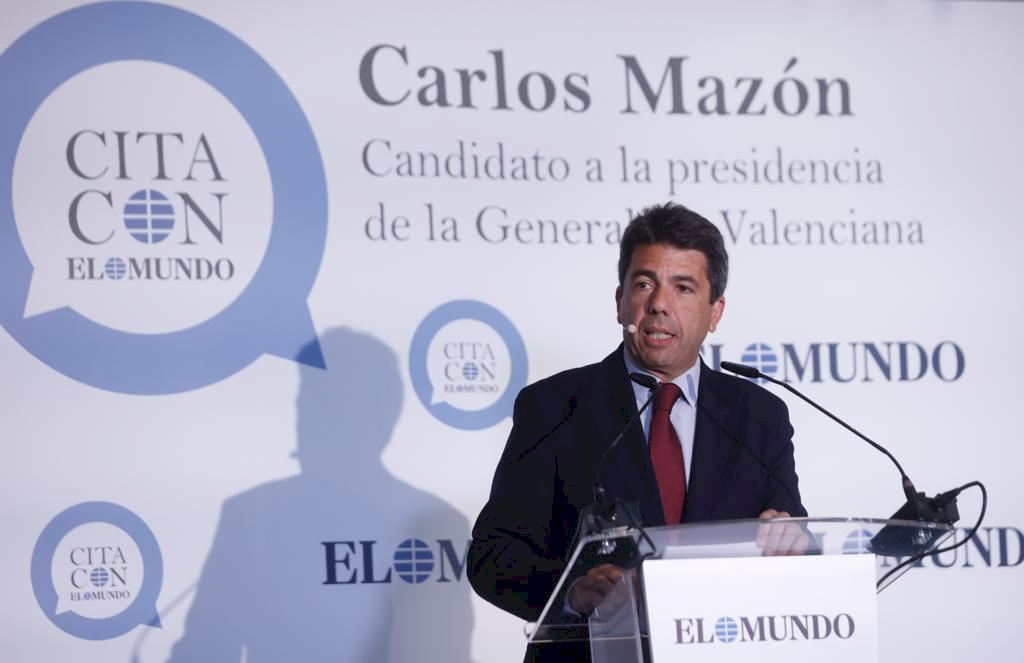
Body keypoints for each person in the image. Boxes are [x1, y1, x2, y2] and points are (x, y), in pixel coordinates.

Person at [467, 202, 807, 662]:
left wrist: (791, 541)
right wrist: (572, 593)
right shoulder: (555, 406)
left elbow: (792, 536)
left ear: (715, 312)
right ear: (620, 301)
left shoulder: (759, 416)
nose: (659, 304)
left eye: (683, 287)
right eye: (644, 284)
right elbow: (492, 557)